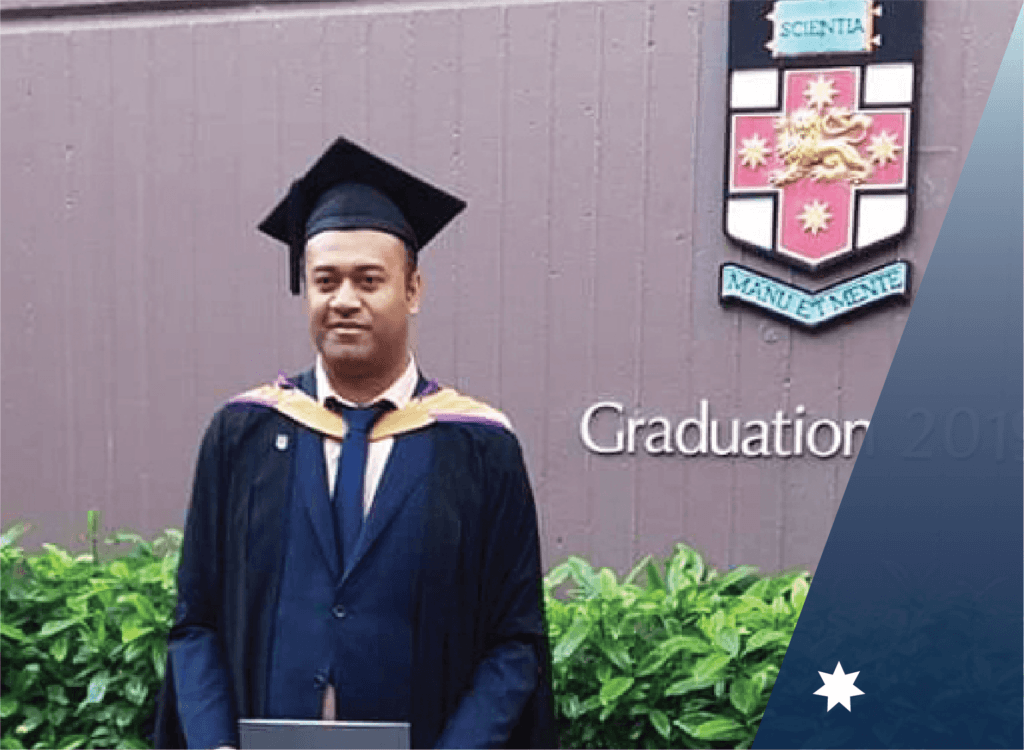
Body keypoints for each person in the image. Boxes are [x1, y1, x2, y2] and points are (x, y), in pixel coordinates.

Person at [153, 136, 556, 749]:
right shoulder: (242, 435)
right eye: (326, 280)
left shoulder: (478, 447)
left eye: (369, 280)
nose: (345, 300)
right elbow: (196, 622)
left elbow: (514, 641)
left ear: (412, 290)